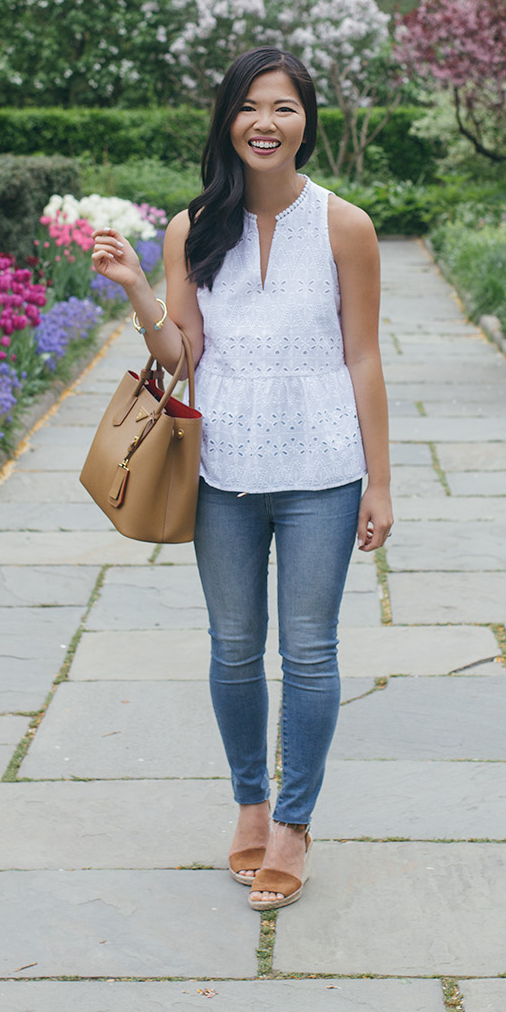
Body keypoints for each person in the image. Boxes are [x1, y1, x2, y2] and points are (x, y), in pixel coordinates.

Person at [91, 45, 392, 910]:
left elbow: (364, 358)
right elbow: (182, 355)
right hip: (222, 466)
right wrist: (138, 291)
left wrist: (379, 481)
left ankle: (295, 825)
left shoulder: (346, 227)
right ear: (229, 120)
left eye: (285, 107)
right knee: (232, 650)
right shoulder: (194, 227)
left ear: (306, 123)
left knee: (309, 651)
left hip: (323, 472)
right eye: (252, 106)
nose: (267, 122)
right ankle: (250, 809)